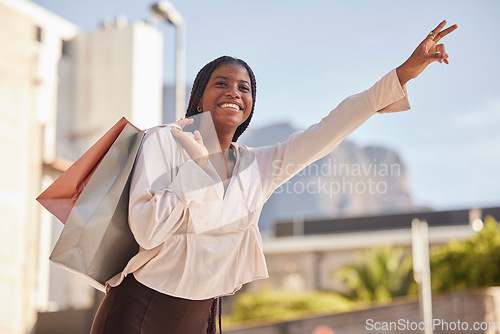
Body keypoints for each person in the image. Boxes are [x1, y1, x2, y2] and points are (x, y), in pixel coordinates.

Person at [90, 20, 457, 334]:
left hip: (203, 315)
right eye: (221, 83)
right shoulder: (163, 142)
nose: (234, 91)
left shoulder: (260, 166)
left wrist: (403, 73)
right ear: (200, 96)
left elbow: (333, 125)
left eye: (244, 87)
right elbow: (147, 229)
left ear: (249, 106)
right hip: (140, 308)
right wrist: (198, 170)